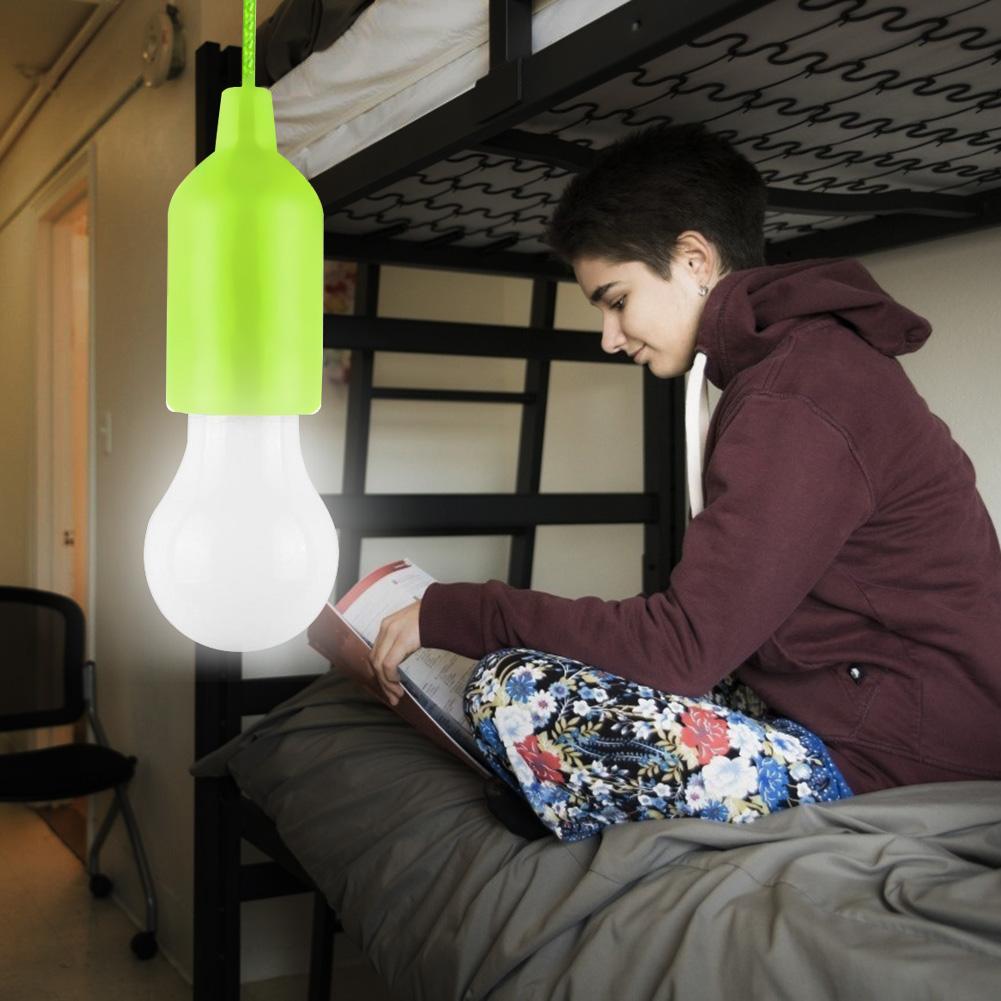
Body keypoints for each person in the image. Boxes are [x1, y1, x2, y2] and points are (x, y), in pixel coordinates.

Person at [367, 122, 1001, 841]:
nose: (609, 337)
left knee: (511, 690)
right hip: (845, 706)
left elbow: (681, 647)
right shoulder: (785, 369)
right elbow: (707, 635)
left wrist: (455, 612)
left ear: (693, 259)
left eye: (615, 300)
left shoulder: (797, 393)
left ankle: (567, 782)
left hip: (909, 757)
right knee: (551, 670)